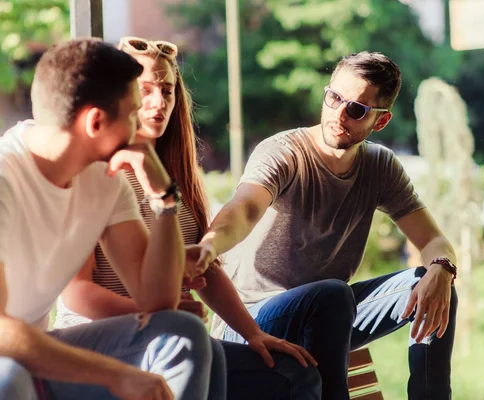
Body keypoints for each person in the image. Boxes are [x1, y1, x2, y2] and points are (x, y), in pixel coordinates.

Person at [54, 36, 320, 400]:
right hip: (99, 339)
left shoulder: (174, 174)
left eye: (167, 90)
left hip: (173, 334)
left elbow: (202, 268)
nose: (157, 103)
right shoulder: (97, 172)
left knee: (294, 374)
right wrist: (162, 314)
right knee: (202, 354)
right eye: (145, 90)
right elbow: (77, 295)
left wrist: (252, 333)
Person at [189, 52, 459, 399]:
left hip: (330, 315)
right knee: (333, 293)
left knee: (434, 285)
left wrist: (442, 267)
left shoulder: (379, 166)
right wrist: (210, 244)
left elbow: (434, 240)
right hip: (251, 320)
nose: (339, 115)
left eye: (357, 109)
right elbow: (245, 208)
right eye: (334, 98)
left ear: (380, 121)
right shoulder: (284, 152)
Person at [0, 38, 214, 400]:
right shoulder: (6, 179)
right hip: (9, 361)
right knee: (9, 377)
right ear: (96, 122)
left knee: (181, 333)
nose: (140, 127)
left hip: (40, 352)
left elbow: (157, 302)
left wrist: (163, 196)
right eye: (132, 113)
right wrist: (116, 375)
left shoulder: (105, 179)